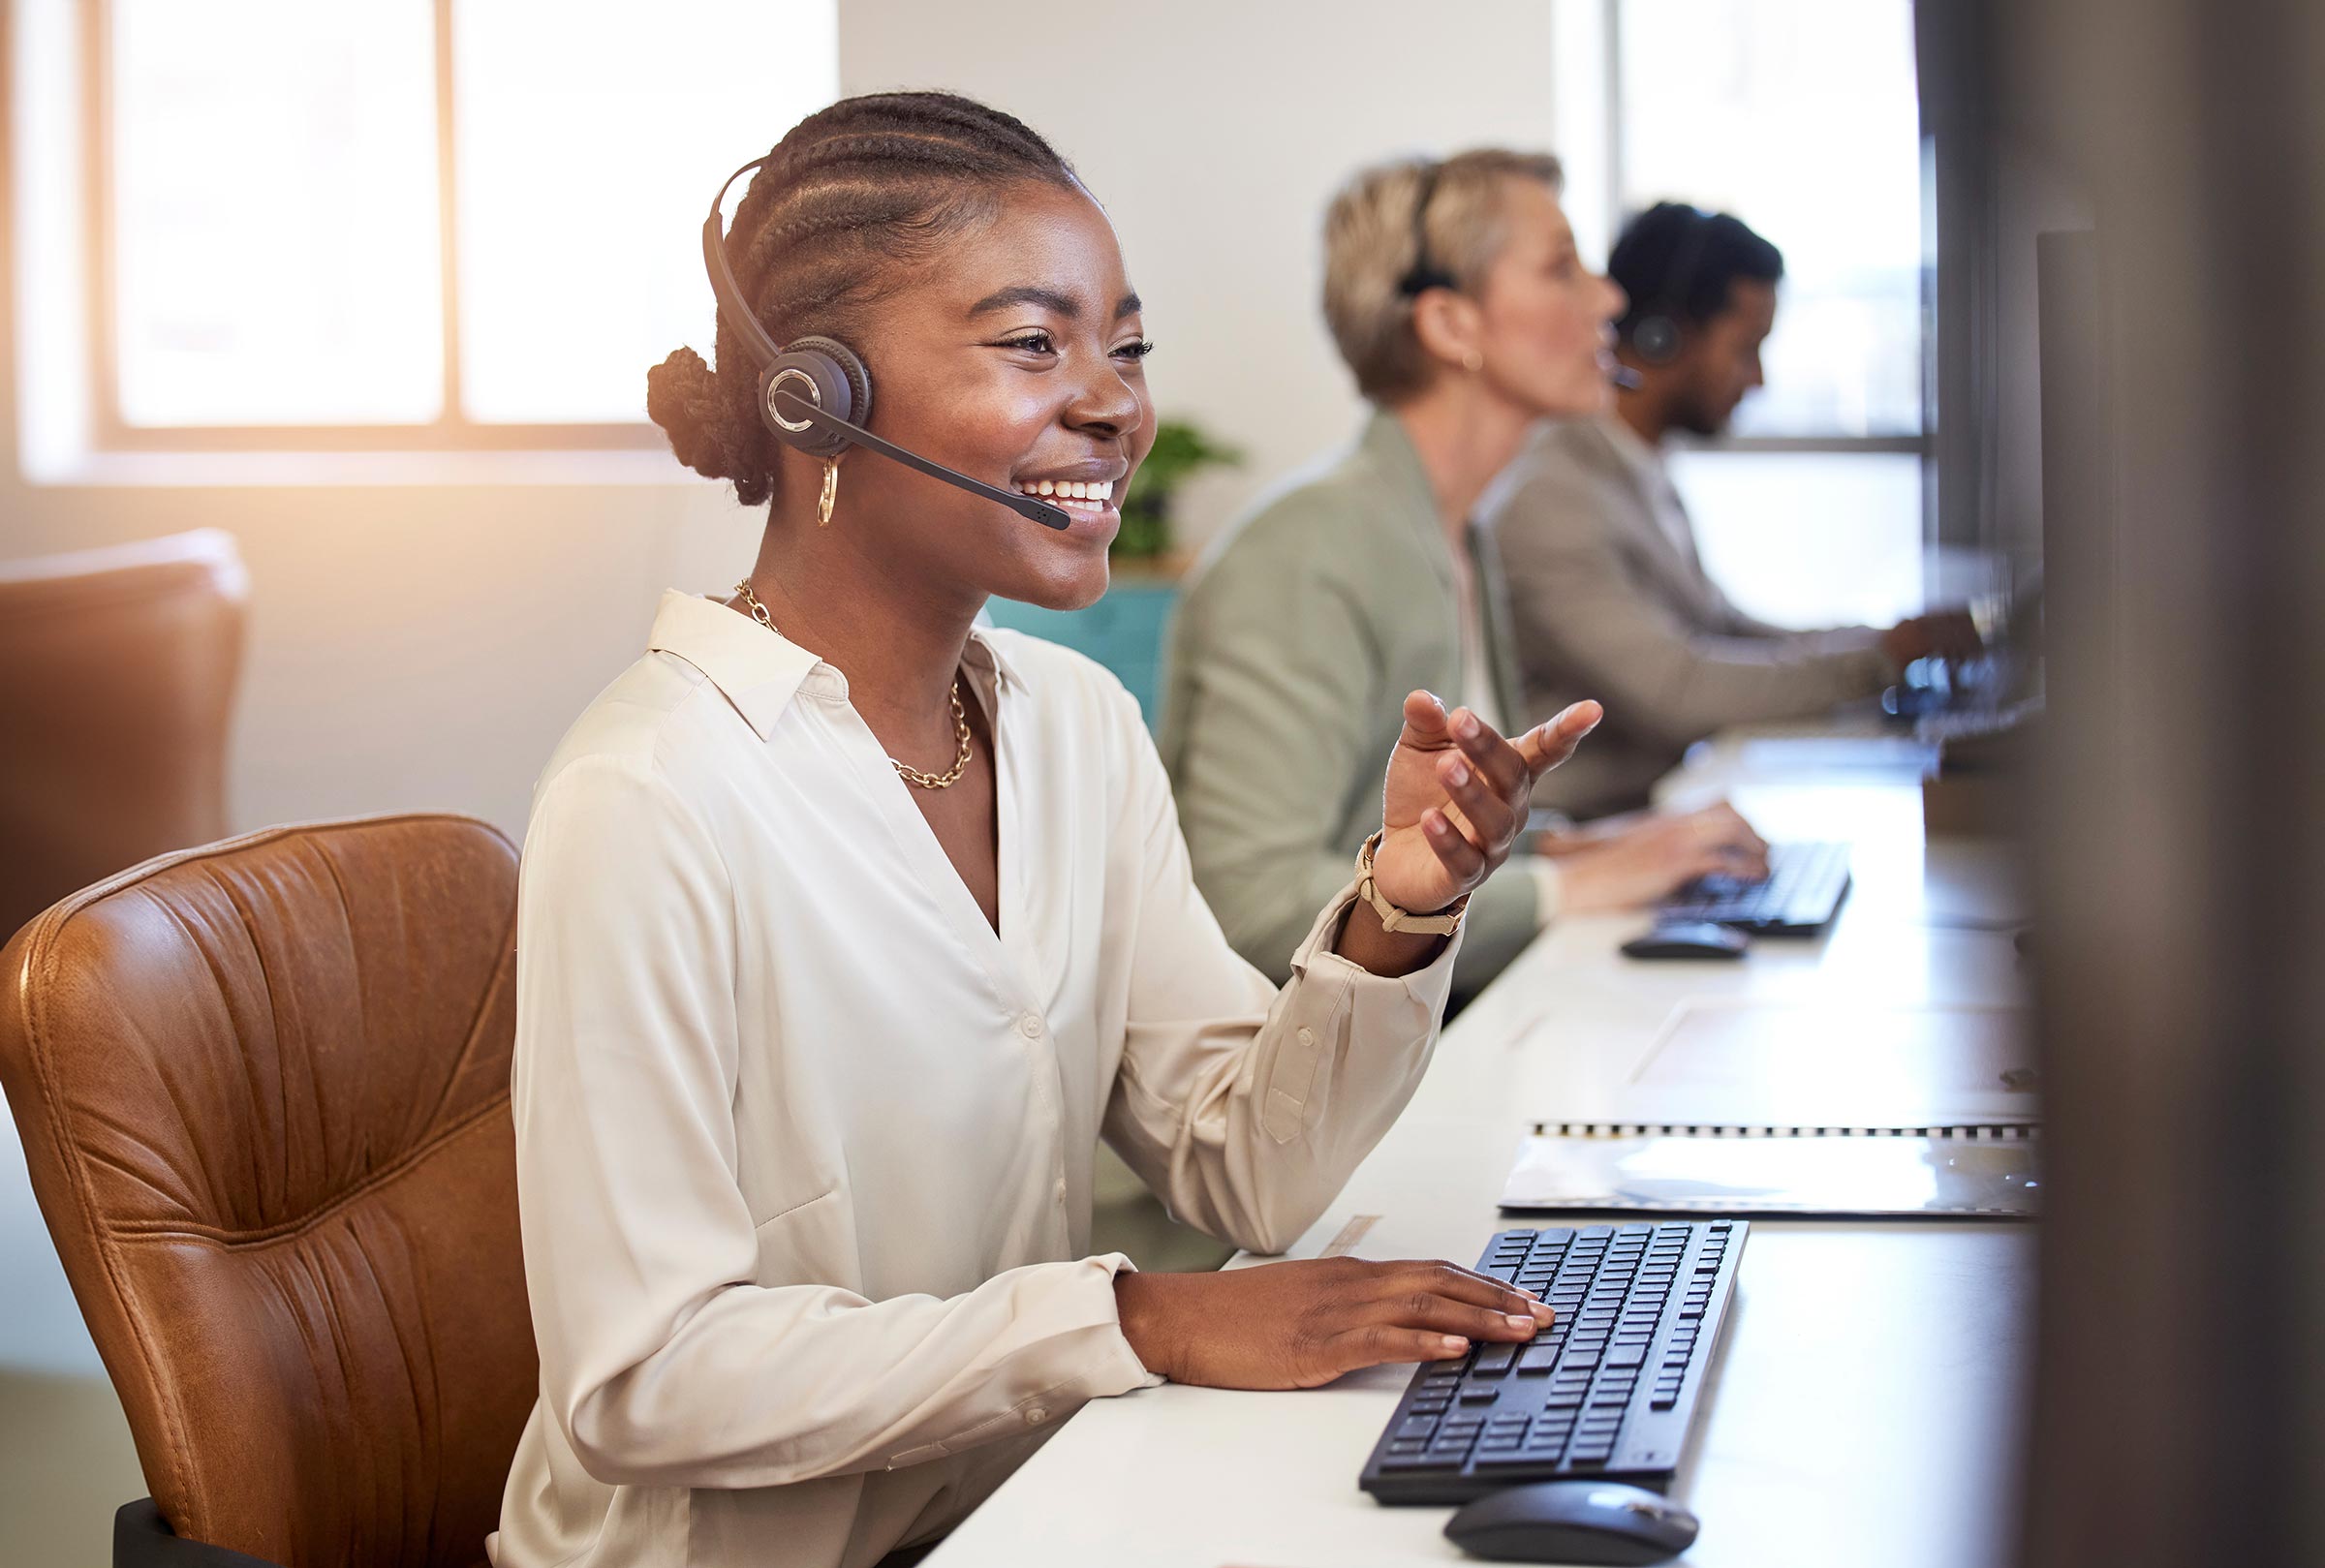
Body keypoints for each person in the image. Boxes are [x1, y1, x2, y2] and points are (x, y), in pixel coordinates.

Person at [491, 94, 1602, 1568]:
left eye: (1126, 348)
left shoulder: (1075, 725)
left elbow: (1245, 1169)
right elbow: (641, 1381)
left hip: (1024, 1510)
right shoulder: (651, 792)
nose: (1115, 403)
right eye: (1034, 343)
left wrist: (1401, 907)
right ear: (817, 396)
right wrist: (1132, 1311)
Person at [1159, 153, 1769, 1002]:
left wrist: (1587, 846)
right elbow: (1250, 903)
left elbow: (1421, 836)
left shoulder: (1460, 530)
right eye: (1562, 268)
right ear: (1450, 324)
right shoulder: (1307, 552)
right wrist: (1568, 890)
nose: (1610, 299)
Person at [1487, 201, 1982, 817]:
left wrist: (1888, 639)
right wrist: (1880, 659)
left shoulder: (1633, 464)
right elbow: (1678, 690)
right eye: (1746, 348)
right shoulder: (1550, 496)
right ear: (1660, 336)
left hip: (1655, 812)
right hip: (1584, 836)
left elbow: (1721, 627)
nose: (1758, 380)